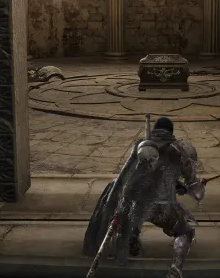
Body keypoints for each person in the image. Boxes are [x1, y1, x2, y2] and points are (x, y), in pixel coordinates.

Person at [83, 116, 206, 278]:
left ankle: (132, 237)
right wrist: (199, 185)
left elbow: (133, 178)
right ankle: (175, 268)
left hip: (134, 206)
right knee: (185, 233)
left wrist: (176, 184)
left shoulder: (140, 146)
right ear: (171, 132)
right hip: (163, 208)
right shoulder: (180, 150)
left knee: (133, 213)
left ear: (154, 131)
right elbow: (197, 193)